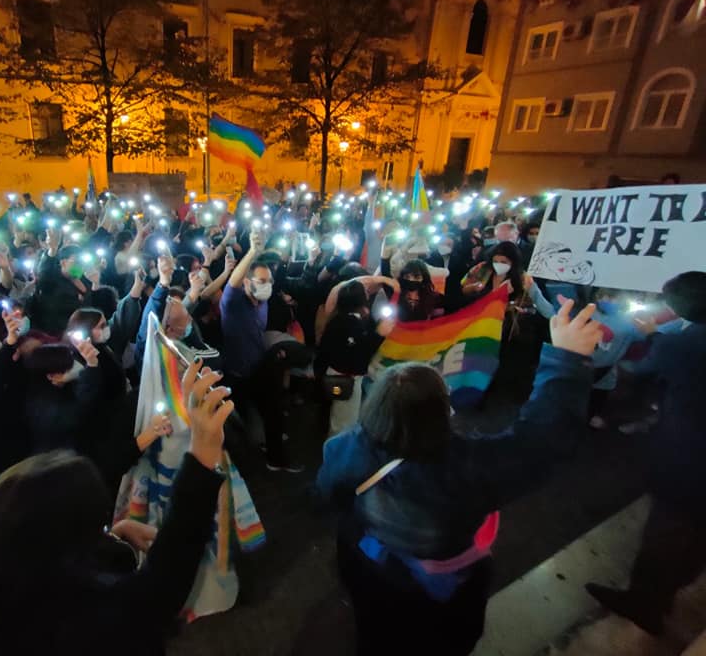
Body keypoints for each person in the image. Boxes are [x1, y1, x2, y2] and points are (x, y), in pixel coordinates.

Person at [318, 297, 602, 655]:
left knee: (375, 635)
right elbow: (543, 441)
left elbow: (332, 494)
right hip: (445, 591)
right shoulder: (472, 466)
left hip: (370, 570)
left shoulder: (343, 449)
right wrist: (567, 358)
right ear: (444, 412)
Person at [0, 360, 232, 656]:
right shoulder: (96, 622)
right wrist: (202, 452)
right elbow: (167, 574)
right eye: (96, 525)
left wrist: (113, 537)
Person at [586, 271, 706, 636]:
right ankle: (667, 590)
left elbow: (639, 370)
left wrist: (652, 336)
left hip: (690, 461)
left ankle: (645, 603)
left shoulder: (681, 344)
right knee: (693, 536)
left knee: (666, 534)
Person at [219, 230, 300, 472]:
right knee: (239, 425)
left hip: (259, 369)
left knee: (274, 414)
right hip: (236, 374)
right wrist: (253, 251)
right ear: (247, 282)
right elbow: (233, 281)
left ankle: (276, 459)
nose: (267, 286)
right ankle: (240, 470)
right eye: (261, 281)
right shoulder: (232, 303)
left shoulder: (263, 301)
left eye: (270, 281)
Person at [317, 280, 394, 436]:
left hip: (337, 374)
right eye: (364, 290)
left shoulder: (341, 317)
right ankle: (338, 454)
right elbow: (360, 353)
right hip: (345, 379)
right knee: (343, 422)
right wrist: (379, 334)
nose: (368, 292)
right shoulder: (349, 324)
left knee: (341, 417)